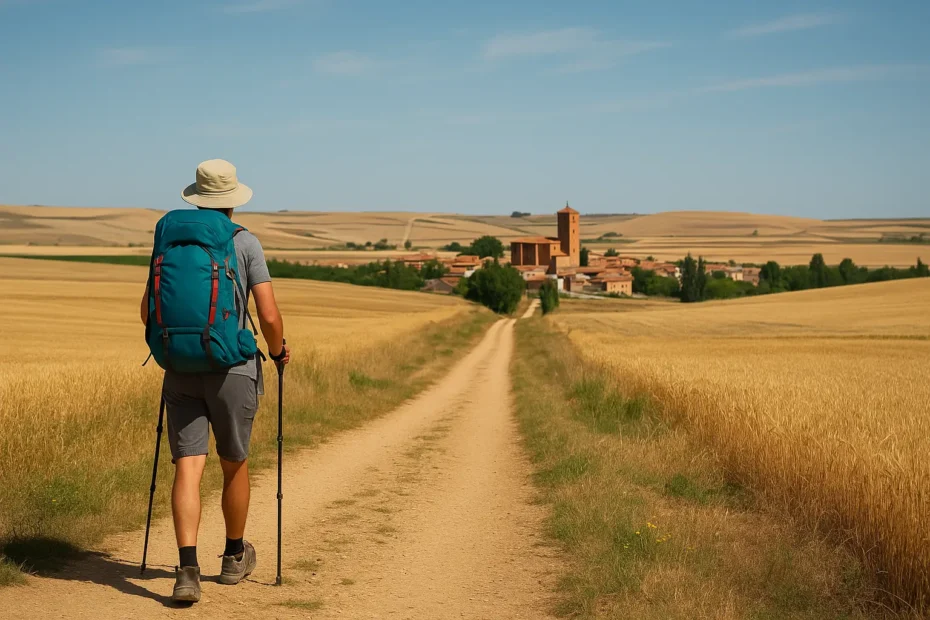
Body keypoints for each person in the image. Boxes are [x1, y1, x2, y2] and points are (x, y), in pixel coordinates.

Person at [139, 159, 291, 603]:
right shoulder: (244, 242)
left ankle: (187, 571)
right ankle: (232, 558)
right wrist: (279, 352)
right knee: (234, 463)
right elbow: (267, 315)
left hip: (180, 369)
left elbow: (147, 312)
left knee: (188, 466)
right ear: (232, 201)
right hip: (232, 370)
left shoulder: (169, 239)